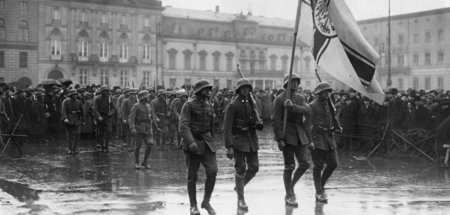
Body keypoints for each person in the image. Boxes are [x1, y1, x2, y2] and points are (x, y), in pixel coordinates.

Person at [271, 74, 311, 207]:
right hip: (287, 134)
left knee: (305, 163)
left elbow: (307, 111)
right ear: (286, 84)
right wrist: (280, 139)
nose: (294, 84)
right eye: (291, 82)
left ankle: (291, 186)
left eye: (296, 82)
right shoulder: (279, 99)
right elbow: (276, 120)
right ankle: (288, 195)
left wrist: (292, 107)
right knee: (289, 166)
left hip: (300, 134)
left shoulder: (300, 97)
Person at [223, 78, 263, 211]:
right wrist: (229, 146)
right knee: (240, 168)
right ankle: (241, 199)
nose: (245, 90)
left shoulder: (252, 104)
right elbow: (227, 127)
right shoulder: (233, 105)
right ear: (239, 90)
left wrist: (259, 123)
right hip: (238, 140)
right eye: (243, 88)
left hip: (251, 139)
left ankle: (239, 186)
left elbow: (257, 122)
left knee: (255, 167)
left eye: (247, 88)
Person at [179, 79, 217, 215]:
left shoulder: (209, 105)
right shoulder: (188, 105)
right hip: (193, 144)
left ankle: (206, 202)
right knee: (192, 176)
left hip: (207, 143)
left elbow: (211, 127)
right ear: (199, 91)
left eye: (208, 89)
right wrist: (191, 142)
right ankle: (193, 206)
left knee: (213, 171)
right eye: (206, 89)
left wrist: (213, 142)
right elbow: (183, 126)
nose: (208, 91)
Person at [309, 81, 340, 203]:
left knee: (333, 163)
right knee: (318, 167)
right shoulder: (312, 105)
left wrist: (337, 126)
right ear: (319, 93)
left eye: (328, 92)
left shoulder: (329, 104)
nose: (328, 94)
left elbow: (333, 117)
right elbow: (307, 124)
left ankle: (320, 185)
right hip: (317, 137)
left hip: (328, 137)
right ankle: (318, 192)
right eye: (325, 92)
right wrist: (310, 140)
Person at [129, 90, 153, 169]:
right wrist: (132, 128)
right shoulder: (136, 106)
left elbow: (150, 116)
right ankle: (136, 162)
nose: (149, 97)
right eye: (147, 96)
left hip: (148, 128)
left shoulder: (148, 106)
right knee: (138, 146)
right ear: (144, 98)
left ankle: (145, 162)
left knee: (150, 144)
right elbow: (131, 118)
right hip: (139, 128)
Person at [61, 89, 84, 155]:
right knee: (69, 135)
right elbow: (63, 111)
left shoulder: (79, 101)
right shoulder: (66, 101)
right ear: (70, 95)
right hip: (69, 120)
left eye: (76, 95)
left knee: (78, 133)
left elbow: (82, 111)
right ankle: (70, 148)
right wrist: (65, 118)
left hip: (77, 119)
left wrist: (83, 120)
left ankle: (75, 147)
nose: (75, 96)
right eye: (73, 95)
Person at [93, 86, 116, 152]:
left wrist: (111, 113)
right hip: (100, 116)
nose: (105, 92)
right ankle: (102, 146)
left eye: (106, 91)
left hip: (107, 117)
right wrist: (99, 116)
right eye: (104, 91)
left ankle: (106, 146)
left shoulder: (110, 98)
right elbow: (95, 109)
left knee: (108, 131)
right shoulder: (97, 98)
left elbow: (113, 108)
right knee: (100, 132)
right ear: (101, 92)